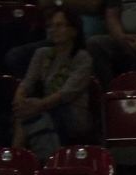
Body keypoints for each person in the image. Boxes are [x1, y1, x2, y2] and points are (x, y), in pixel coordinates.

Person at [12, 8, 95, 161]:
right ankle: (21, 159)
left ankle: (24, 158)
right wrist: (19, 99)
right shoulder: (42, 53)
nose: (53, 30)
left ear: (73, 31)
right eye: (50, 26)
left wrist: (38, 105)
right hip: (46, 107)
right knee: (25, 109)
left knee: (33, 112)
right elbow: (28, 82)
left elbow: (67, 93)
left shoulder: (82, 58)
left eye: (59, 25)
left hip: (72, 113)